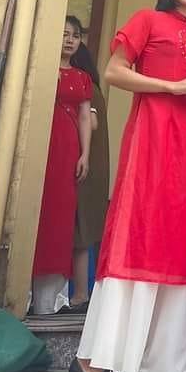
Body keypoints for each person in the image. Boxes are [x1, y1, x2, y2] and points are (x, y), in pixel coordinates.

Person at [72, 0, 186, 372]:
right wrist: (173, 86)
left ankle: (162, 357)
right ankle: (102, 354)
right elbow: (114, 72)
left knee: (181, 233)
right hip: (153, 132)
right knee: (144, 225)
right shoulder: (147, 19)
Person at [32, 16, 92, 315]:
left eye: (75, 35)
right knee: (37, 210)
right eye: (64, 34)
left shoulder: (82, 77)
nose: (70, 40)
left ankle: (50, 299)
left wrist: (85, 154)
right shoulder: (39, 70)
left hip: (69, 147)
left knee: (61, 215)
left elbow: (85, 116)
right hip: (41, 143)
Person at [68, 39, 111, 311]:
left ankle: (80, 294)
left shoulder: (87, 89)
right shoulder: (95, 87)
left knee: (80, 233)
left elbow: (91, 122)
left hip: (83, 168)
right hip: (92, 169)